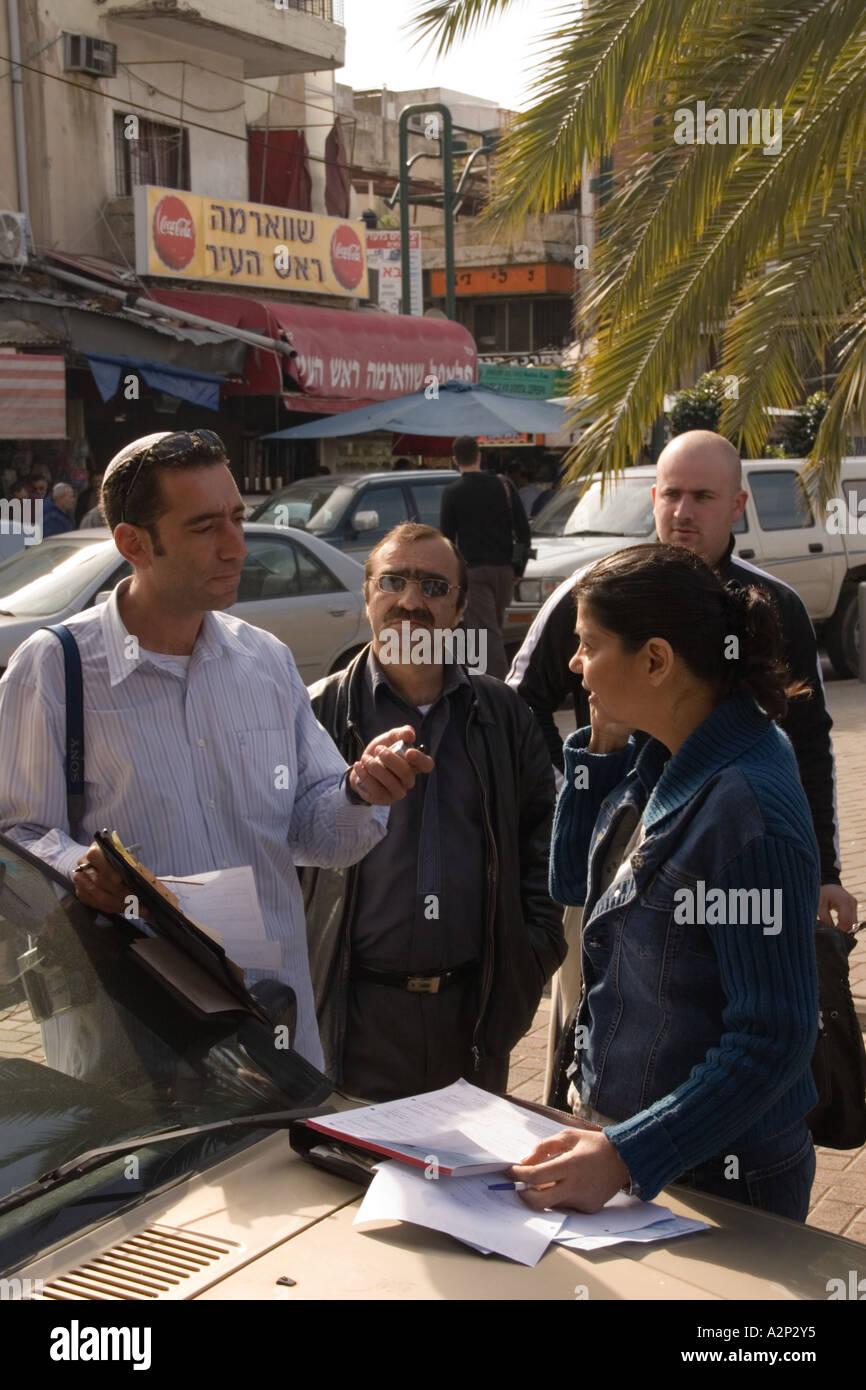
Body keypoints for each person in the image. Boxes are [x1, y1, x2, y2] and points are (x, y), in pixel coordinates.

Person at [0, 428, 433, 1071]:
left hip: (271, 1021)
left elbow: (312, 833)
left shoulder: (265, 661)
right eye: (205, 527)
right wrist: (77, 867)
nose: (237, 547)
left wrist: (358, 789)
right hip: (131, 1029)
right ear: (133, 543)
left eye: (238, 518)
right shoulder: (56, 667)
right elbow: (17, 832)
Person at [512, 543, 820, 1221]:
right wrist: (600, 749)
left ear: (655, 660)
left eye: (589, 645)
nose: (573, 664)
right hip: (638, 1155)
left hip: (720, 1182)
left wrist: (626, 1153)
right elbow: (571, 883)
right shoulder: (666, 750)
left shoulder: (746, 810)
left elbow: (772, 1040)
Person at [508, 431, 857, 930]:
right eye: (671, 494)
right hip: (608, 868)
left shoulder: (776, 607)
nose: (683, 511)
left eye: (703, 497)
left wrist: (825, 868)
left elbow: (807, 741)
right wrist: (584, 787)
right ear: (654, 498)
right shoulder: (595, 593)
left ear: (737, 505)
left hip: (738, 866)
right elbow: (519, 704)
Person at [301, 521, 565, 1099]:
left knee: (468, 1186)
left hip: (471, 1022)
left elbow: (545, 842)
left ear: (460, 607)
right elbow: (278, 857)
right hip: (350, 1020)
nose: (411, 601)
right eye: (392, 581)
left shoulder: (502, 714)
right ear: (367, 595)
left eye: (433, 586)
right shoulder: (316, 715)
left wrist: (529, 961)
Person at [440, 435, 530, 679]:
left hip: (474, 571)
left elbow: (446, 539)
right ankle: (480, 682)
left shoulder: (452, 492)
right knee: (492, 629)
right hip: (504, 571)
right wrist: (518, 569)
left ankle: (498, 690)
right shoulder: (504, 485)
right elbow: (523, 530)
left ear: (454, 459)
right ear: (479, 455)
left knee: (486, 633)